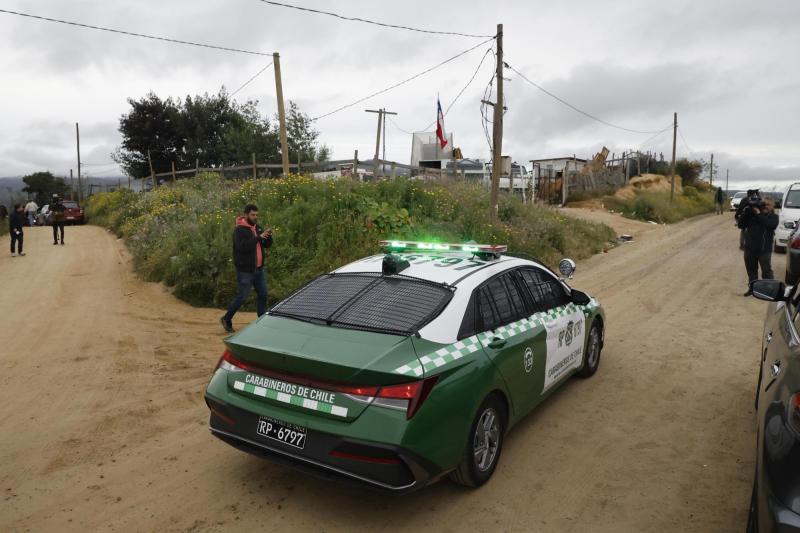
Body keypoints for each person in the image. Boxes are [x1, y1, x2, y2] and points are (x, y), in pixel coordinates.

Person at [220, 204, 273, 333]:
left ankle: (261, 321)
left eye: (256, 215)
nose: (255, 217)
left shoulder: (258, 227)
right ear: (246, 215)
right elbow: (243, 247)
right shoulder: (239, 231)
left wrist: (268, 237)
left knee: (263, 294)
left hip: (259, 269)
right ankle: (226, 318)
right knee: (243, 296)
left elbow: (267, 245)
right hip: (245, 270)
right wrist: (258, 237)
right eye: (252, 215)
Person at [739, 197, 779, 296]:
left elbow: (770, 224)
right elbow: (741, 225)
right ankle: (753, 290)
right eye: (763, 204)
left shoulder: (773, 217)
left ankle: (769, 292)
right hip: (750, 249)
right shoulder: (752, 215)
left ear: (772, 206)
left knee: (766, 272)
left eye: (768, 204)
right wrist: (746, 212)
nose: (765, 206)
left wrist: (758, 214)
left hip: (764, 250)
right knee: (751, 272)